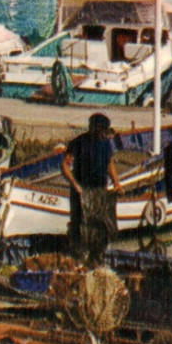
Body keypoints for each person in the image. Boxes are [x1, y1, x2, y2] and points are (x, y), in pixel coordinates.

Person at [62, 112, 121, 264]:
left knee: (101, 225)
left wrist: (116, 182)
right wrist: (75, 185)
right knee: (80, 224)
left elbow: (109, 163)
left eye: (104, 131)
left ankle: (97, 258)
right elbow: (64, 165)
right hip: (81, 191)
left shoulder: (106, 143)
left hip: (100, 191)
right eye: (100, 130)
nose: (102, 133)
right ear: (92, 128)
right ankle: (78, 258)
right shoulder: (78, 142)